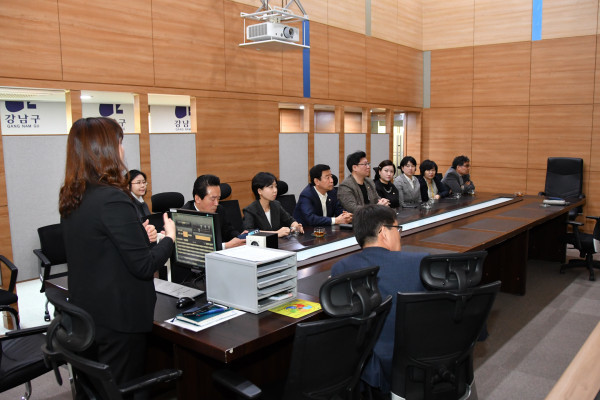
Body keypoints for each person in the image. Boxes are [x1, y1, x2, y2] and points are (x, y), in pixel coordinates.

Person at [58, 117, 176, 390]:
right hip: (119, 319)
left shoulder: (74, 194)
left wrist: (137, 236)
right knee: (121, 388)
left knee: (97, 389)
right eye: (120, 143)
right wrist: (169, 238)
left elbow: (96, 246)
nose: (123, 150)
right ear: (106, 150)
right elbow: (144, 266)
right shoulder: (112, 198)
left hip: (89, 314)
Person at [331, 205, 428, 396]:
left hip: (367, 370)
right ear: (384, 232)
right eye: (398, 229)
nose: (400, 235)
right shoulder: (419, 263)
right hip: (413, 365)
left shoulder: (340, 269)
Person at [181, 174, 245, 249]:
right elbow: (194, 246)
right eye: (213, 199)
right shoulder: (184, 216)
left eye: (218, 198)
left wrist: (240, 237)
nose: (216, 203)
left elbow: (228, 231)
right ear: (198, 199)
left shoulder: (219, 210)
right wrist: (225, 246)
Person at [243, 172, 304, 237]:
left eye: (275, 186)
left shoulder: (276, 205)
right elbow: (249, 232)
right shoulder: (250, 210)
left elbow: (289, 220)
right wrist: (276, 233)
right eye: (271, 187)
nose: (275, 190)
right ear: (259, 191)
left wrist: (296, 225)